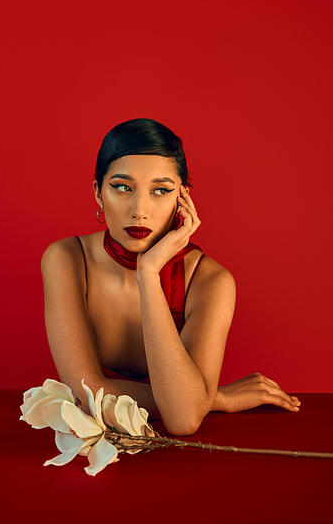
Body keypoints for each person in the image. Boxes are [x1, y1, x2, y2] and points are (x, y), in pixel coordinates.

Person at [42, 118, 300, 436]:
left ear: (183, 198)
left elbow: (183, 421)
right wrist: (211, 398)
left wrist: (148, 274)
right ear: (98, 192)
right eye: (122, 187)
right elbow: (86, 396)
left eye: (161, 190)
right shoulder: (67, 259)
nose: (139, 209)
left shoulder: (210, 282)